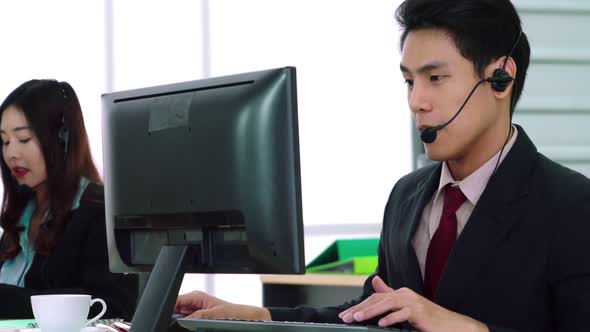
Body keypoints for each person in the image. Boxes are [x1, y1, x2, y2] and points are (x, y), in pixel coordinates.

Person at [174, 0, 590, 331]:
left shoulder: (571, 205)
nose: (416, 102)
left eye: (435, 78)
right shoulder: (407, 195)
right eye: (409, 81)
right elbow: (371, 313)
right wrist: (257, 317)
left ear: (500, 77)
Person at [0, 79, 138, 319]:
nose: (11, 153)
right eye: (4, 141)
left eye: (23, 139)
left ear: (63, 138)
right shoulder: (22, 215)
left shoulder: (99, 212)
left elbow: (113, 305)